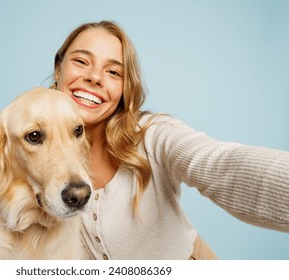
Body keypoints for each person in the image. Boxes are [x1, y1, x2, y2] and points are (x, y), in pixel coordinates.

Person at [49, 20, 289, 260]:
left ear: (124, 87)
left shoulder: (153, 135)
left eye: (113, 72)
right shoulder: (30, 154)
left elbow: (220, 164)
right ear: (58, 69)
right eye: (81, 61)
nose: (94, 77)